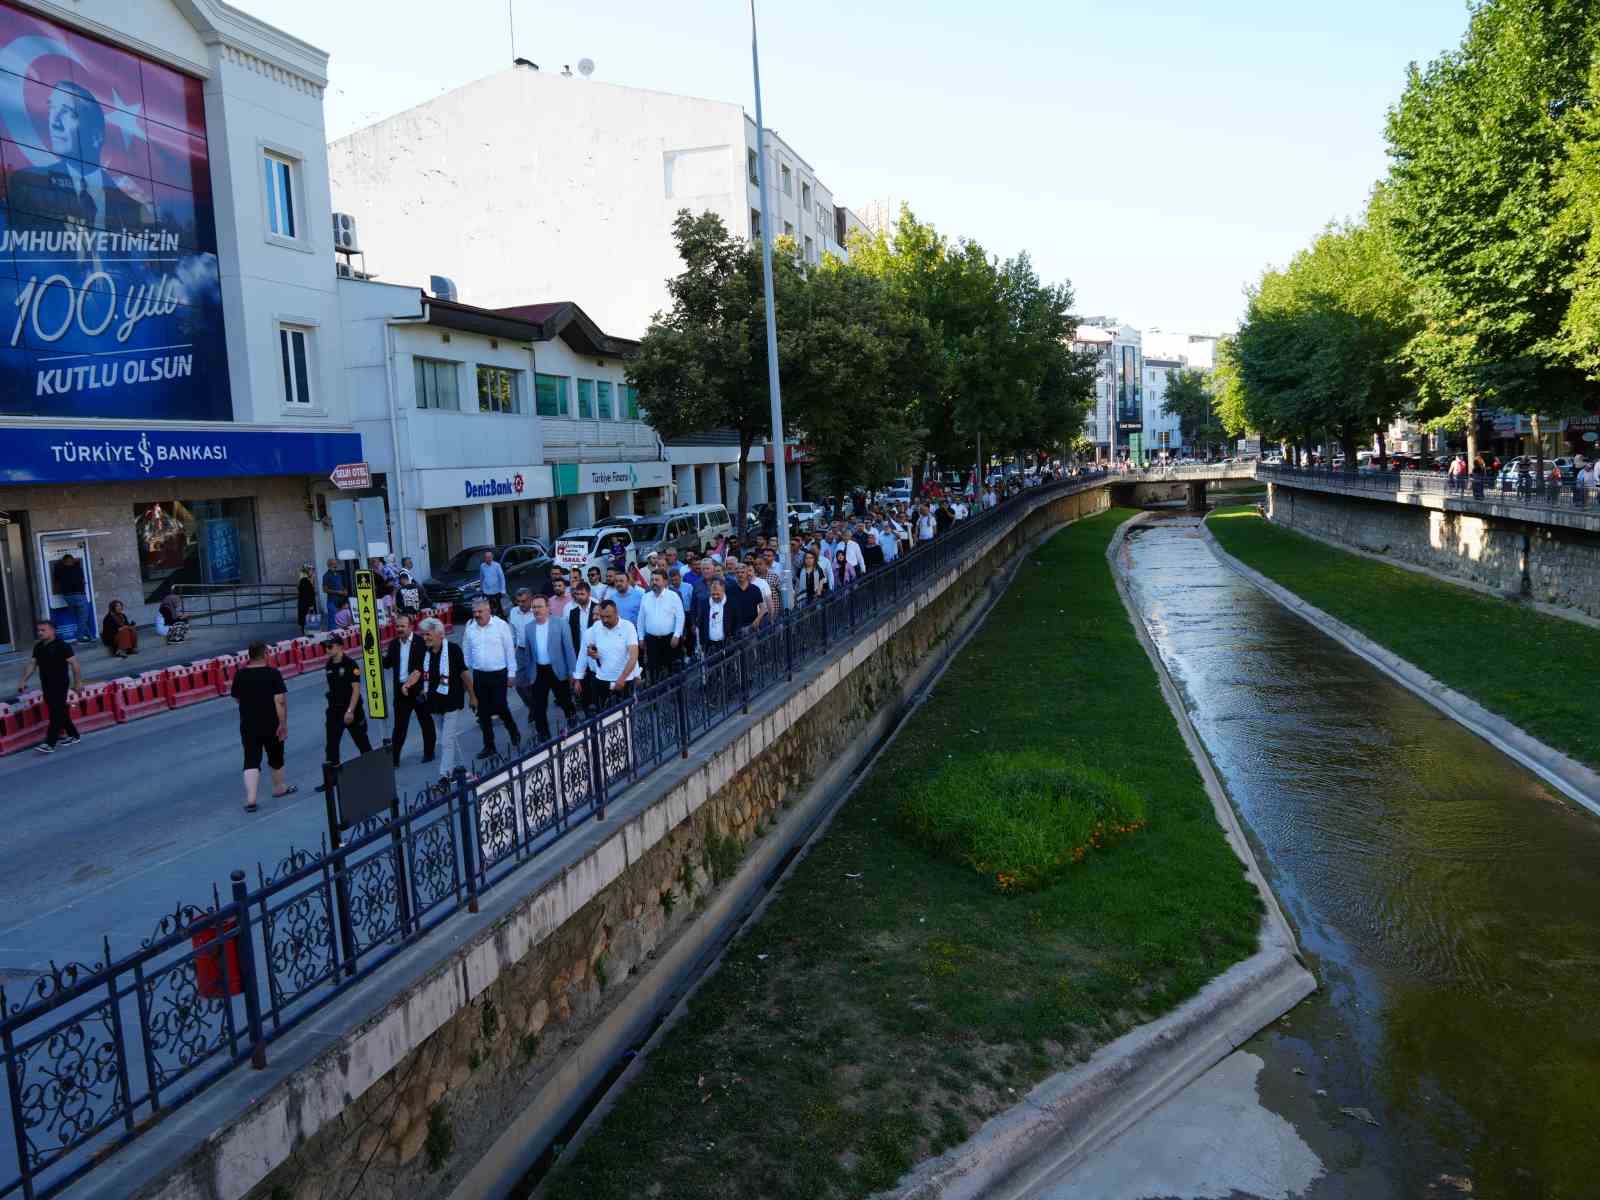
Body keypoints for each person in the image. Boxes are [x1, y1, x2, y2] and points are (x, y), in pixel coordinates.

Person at [229, 641, 296, 810]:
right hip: (271, 723)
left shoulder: (240, 675)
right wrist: (283, 724)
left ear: (249, 656)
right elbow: (279, 701)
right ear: (265, 654)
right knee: (275, 756)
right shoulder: (273, 674)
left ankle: (251, 799)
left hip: (249, 724)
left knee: (251, 759)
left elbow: (236, 697)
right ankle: (279, 787)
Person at [462, 596, 520, 758]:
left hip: (499, 674)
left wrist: (512, 674)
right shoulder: (470, 627)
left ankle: (513, 731)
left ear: (488, 611)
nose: (477, 614)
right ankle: (489, 745)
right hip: (479, 675)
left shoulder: (501, 626)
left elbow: (509, 650)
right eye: (474, 612)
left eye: (480, 611)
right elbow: (466, 649)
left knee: (500, 705)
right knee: (482, 711)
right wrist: (465, 671)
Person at [419, 616, 473, 782]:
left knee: (446, 739)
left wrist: (473, 695)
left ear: (440, 634)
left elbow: (464, 673)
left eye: (428, 634)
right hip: (434, 703)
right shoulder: (425, 652)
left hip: (451, 701)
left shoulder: (453, 650)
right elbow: (419, 672)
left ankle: (445, 774)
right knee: (447, 737)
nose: (425, 638)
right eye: (423, 635)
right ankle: (461, 767)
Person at [315, 639, 373, 790]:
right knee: (332, 745)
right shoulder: (329, 665)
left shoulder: (350, 665)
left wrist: (350, 711)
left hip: (351, 709)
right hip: (334, 710)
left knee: (361, 741)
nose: (327, 649)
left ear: (340, 646)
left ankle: (374, 769)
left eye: (329, 646)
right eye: (325, 647)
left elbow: (355, 690)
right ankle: (332, 779)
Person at [520, 594, 579, 740]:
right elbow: (528, 653)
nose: (536, 610)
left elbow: (569, 649)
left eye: (539, 606)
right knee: (539, 705)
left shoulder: (560, 623)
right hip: (538, 671)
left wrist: (572, 672)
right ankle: (543, 734)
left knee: (564, 699)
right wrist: (529, 673)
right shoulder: (529, 628)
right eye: (534, 607)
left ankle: (573, 721)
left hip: (558, 669)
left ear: (548, 607)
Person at [19, 621, 81, 754]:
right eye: (38, 630)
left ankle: (50, 742)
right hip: (46, 683)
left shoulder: (62, 646)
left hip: (60, 683)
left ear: (53, 631)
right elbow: (32, 664)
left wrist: (77, 683)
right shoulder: (38, 646)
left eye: (43, 630)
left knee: (56, 712)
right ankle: (74, 735)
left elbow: (75, 664)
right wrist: (23, 680)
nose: (40, 633)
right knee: (59, 710)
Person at [384, 612, 435, 767]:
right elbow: (387, 663)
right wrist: (372, 655)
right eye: (397, 626)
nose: (399, 629)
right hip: (401, 692)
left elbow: (420, 669)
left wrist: (410, 685)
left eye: (402, 626)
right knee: (399, 726)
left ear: (410, 627)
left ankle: (429, 752)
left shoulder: (420, 643)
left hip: (418, 690)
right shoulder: (394, 644)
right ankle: (394, 759)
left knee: (425, 722)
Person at [572, 599, 641, 712]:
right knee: (604, 717)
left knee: (626, 716)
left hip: (624, 681)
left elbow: (633, 656)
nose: (605, 620)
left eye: (608, 616)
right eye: (602, 616)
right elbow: (587, 649)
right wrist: (591, 652)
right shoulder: (595, 628)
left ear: (616, 613)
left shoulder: (628, 627)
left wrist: (623, 678)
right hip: (602, 680)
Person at [637, 569, 686, 683]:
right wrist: (641, 637)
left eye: (657, 580)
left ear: (665, 582)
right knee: (654, 669)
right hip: (652, 640)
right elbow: (641, 619)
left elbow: (680, 616)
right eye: (652, 579)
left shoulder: (673, 596)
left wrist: (677, 635)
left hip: (670, 640)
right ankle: (656, 697)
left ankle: (676, 696)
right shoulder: (646, 597)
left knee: (673, 670)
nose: (654, 582)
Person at [50, 553, 95, 643]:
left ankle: (90, 636)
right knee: (83, 617)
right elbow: (82, 579)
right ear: (71, 561)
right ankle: (80, 638)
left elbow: (56, 579)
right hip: (79, 595)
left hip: (67, 596)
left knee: (80, 617)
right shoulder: (77, 569)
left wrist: (60, 563)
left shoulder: (60, 570)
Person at [695, 576, 732, 654]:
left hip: (727, 644)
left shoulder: (731, 603)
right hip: (710, 645)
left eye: (718, 594)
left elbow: (736, 622)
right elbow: (701, 623)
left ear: (723, 590)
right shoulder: (704, 603)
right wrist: (701, 643)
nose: (715, 596)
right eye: (713, 594)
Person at [729, 564, 765, 635]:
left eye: (742, 572)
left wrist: (757, 620)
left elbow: (763, 608)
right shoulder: (730, 590)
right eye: (738, 572)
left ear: (747, 573)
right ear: (735, 574)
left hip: (751, 626)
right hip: (735, 627)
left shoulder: (755, 589)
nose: (740, 574)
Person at [568, 579, 599, 653]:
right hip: (580, 650)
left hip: (596, 649)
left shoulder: (598, 608)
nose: (579, 597)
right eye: (577, 594)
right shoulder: (573, 612)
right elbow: (573, 634)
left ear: (589, 594)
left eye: (582, 594)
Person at [478, 549, 507, 617]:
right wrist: (481, 588)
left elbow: (501, 578)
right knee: (488, 607)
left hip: (496, 590)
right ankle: (489, 618)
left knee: (499, 607)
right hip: (486, 590)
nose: (488, 559)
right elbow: (481, 577)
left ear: (492, 557)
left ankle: (501, 618)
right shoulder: (482, 566)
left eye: (489, 557)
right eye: (486, 557)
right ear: (484, 558)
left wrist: (503, 590)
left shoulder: (497, 565)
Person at [322, 558, 348, 633]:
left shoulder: (338, 574)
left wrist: (344, 590)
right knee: (332, 622)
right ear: (329, 565)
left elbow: (340, 585)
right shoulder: (326, 576)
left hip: (340, 601)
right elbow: (324, 589)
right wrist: (337, 592)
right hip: (332, 601)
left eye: (335, 564)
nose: (335, 565)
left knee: (341, 621)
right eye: (333, 564)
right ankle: (331, 638)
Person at [296, 566, 316, 633]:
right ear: (307, 572)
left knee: (305, 623)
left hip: (304, 604)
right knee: (308, 623)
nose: (313, 572)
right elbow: (308, 594)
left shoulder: (303, 580)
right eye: (311, 571)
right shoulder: (305, 581)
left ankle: (306, 633)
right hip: (306, 605)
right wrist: (311, 605)